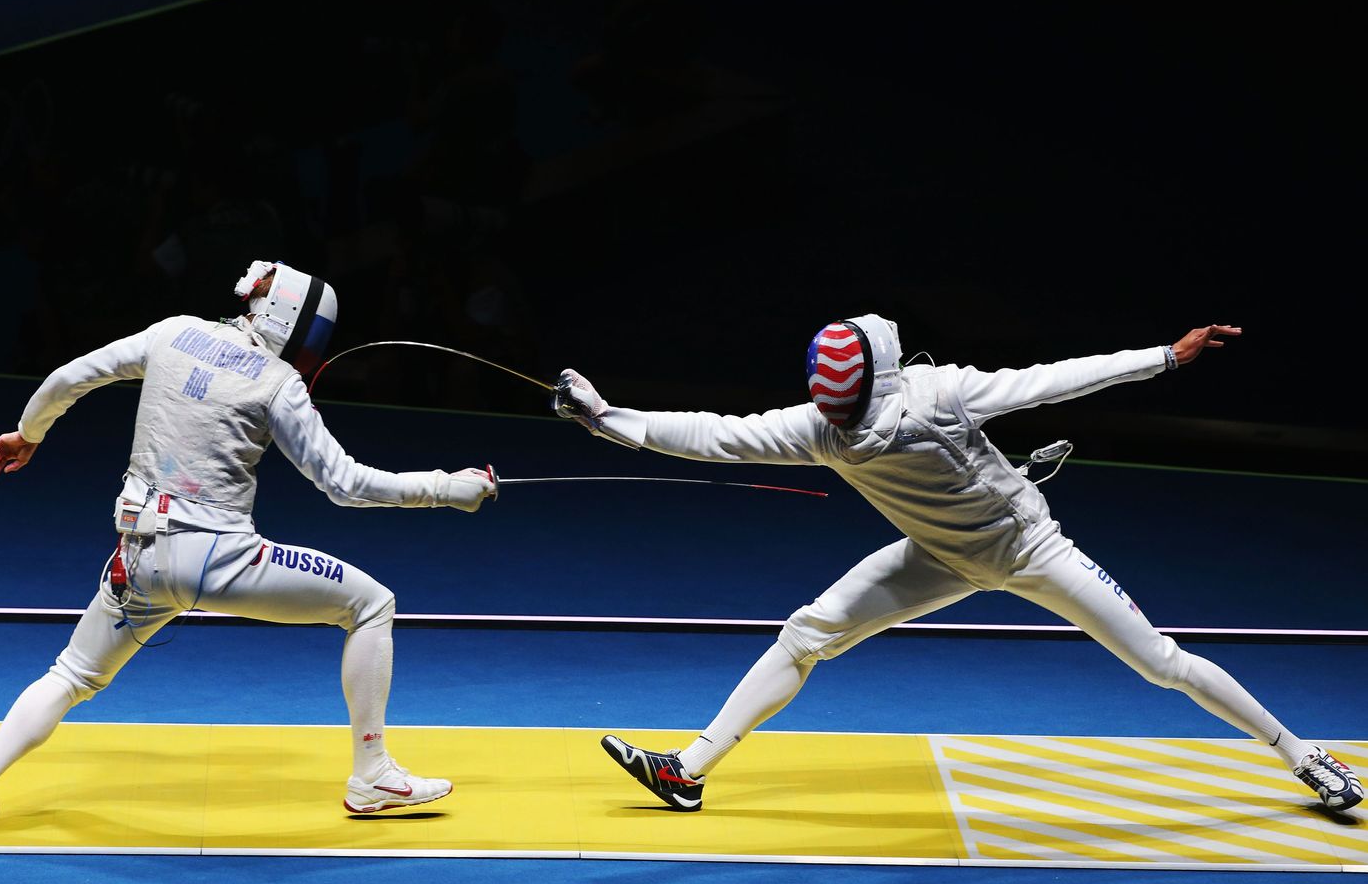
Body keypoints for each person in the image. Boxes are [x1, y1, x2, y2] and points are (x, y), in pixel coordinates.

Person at [553, 316, 1362, 813]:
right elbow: (1053, 382)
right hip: (961, 553)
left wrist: (605, 419)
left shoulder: (815, 427)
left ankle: (1300, 753)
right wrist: (1168, 357)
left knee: (1157, 662)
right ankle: (688, 772)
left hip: (1025, 552)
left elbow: (709, 434)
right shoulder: (936, 392)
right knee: (1164, 665)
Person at [0, 261, 497, 834]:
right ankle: (373, 776)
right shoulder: (277, 382)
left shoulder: (172, 332)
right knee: (371, 605)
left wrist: (27, 434)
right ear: (299, 324)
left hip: (137, 557)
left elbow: (69, 377)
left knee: (70, 675)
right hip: (224, 560)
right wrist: (447, 489)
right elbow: (346, 484)